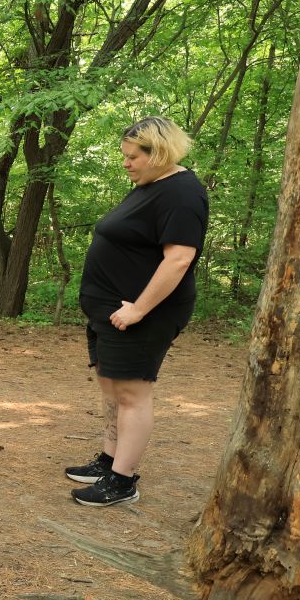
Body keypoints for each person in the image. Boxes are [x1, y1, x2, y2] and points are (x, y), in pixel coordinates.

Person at [66, 116, 208, 507]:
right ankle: (110, 460)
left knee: (132, 394)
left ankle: (122, 481)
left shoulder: (182, 193)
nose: (126, 163)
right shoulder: (150, 186)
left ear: (158, 152)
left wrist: (139, 310)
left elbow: (178, 259)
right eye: (125, 156)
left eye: (133, 157)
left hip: (142, 315)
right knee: (112, 388)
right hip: (110, 311)